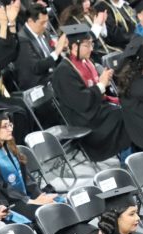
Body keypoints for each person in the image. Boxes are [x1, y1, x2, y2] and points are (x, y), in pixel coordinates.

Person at [51, 24, 130, 162]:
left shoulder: (87, 62)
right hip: (84, 119)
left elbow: (96, 92)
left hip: (97, 109)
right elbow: (82, 102)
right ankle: (127, 159)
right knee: (123, 115)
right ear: (74, 47)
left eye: (92, 44)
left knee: (129, 107)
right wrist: (101, 85)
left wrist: (105, 86)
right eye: (87, 45)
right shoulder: (64, 71)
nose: (91, 49)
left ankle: (134, 152)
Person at [0, 109, 56, 221]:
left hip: (25, 197)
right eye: (5, 126)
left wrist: (38, 195)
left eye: (10, 124)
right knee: (47, 212)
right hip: (10, 203)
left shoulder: (10, 146)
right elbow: (0, 187)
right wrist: (30, 201)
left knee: (58, 203)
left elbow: (26, 177)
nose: (10, 129)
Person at [15, 5, 69, 90]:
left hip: (52, 76)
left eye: (46, 21)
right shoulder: (22, 40)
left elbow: (53, 57)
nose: (45, 26)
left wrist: (62, 49)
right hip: (37, 85)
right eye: (42, 22)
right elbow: (36, 68)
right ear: (30, 21)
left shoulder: (44, 32)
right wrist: (57, 51)